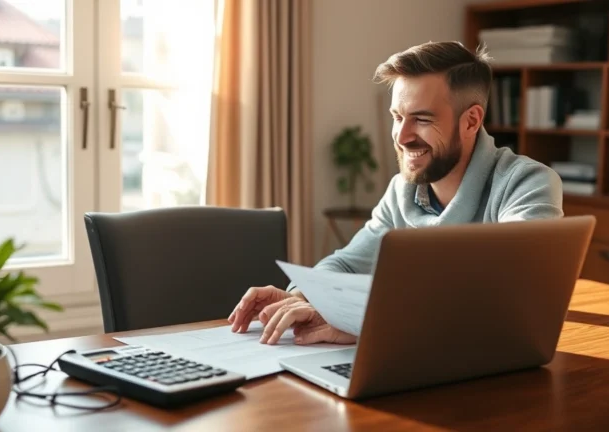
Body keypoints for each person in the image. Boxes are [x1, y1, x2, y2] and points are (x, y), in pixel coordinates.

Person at [227, 41, 563, 346]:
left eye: (421, 119)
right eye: (397, 117)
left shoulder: (527, 184)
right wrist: (304, 296)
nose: (402, 137)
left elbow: (514, 299)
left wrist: (367, 325)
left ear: (471, 120)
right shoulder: (402, 190)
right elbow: (346, 262)